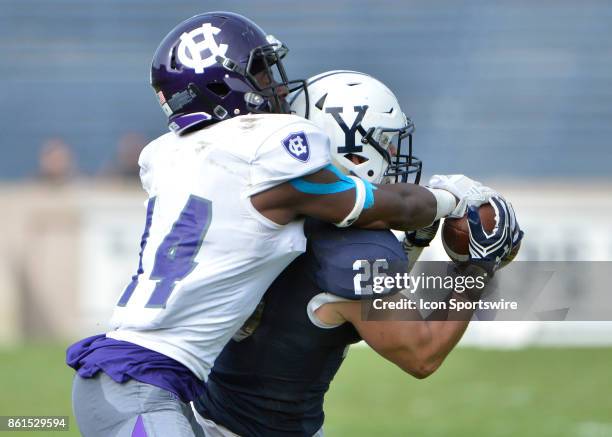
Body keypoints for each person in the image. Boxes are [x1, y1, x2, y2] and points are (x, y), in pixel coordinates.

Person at [66, 13, 501, 437]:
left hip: (150, 385)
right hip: (143, 385)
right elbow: (418, 348)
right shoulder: (273, 160)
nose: (277, 86)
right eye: (261, 73)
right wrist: (458, 220)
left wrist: (415, 242)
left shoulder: (175, 154)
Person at [193, 71, 524, 437]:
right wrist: (477, 269)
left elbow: (341, 309)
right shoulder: (352, 251)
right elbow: (422, 353)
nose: (396, 153)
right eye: (387, 142)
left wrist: (412, 246)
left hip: (210, 411)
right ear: (352, 150)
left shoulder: (273, 203)